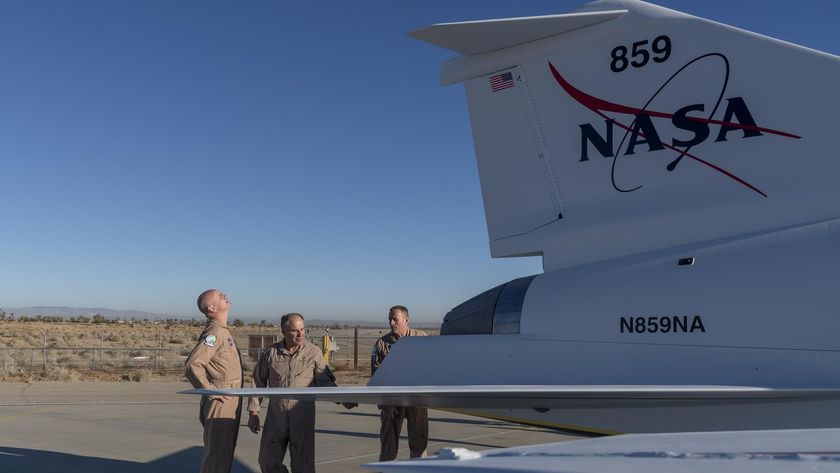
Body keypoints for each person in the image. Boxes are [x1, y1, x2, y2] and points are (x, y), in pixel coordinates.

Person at [247, 313, 351, 473]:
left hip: (302, 419)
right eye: (295, 330)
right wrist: (253, 413)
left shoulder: (313, 352)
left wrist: (342, 399)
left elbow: (325, 382)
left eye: (303, 329)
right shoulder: (271, 353)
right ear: (284, 331)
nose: (300, 334)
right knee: (267, 462)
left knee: (304, 467)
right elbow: (257, 382)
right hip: (276, 418)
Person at [185, 289, 244, 473]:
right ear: (211, 307)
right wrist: (210, 391)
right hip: (222, 397)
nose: (224, 295)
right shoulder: (215, 333)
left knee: (224, 453)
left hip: (231, 396)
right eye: (219, 295)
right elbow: (193, 365)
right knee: (217, 455)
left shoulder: (223, 331)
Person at [371, 305, 428, 461]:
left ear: (406, 320)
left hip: (417, 400)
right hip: (392, 402)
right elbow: (376, 377)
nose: (391, 323)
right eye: (389, 319)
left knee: (419, 447)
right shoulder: (381, 344)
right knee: (388, 449)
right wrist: (385, 404)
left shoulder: (422, 339)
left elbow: (430, 369)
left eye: (395, 319)